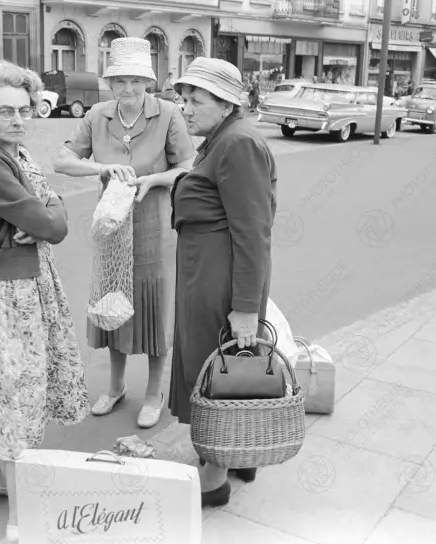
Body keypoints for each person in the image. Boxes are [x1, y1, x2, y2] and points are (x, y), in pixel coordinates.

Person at [0, 60, 89, 544]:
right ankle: (20, 519)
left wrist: (50, 211)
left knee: (6, 379)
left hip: (30, 278)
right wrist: (49, 214)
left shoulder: (12, 150)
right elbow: (52, 224)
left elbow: (54, 208)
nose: (18, 118)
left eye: (24, 109)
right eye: (5, 110)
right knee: (15, 389)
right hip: (12, 287)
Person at [52, 37, 195, 429]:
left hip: (154, 227)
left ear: (147, 81)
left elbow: (189, 166)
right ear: (109, 84)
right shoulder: (97, 115)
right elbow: (62, 160)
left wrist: (155, 179)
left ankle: (153, 392)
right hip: (111, 228)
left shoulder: (167, 113)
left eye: (135, 80)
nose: (128, 89)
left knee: (153, 307)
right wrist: (99, 170)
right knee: (111, 303)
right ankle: (115, 387)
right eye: (119, 81)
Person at [170, 57, 277, 507]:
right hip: (207, 271)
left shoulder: (237, 144)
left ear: (225, 102)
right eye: (183, 98)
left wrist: (246, 307)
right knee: (230, 369)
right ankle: (238, 455)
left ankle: (214, 477)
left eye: (195, 100)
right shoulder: (222, 138)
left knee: (215, 373)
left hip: (219, 279)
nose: (185, 109)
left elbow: (253, 232)